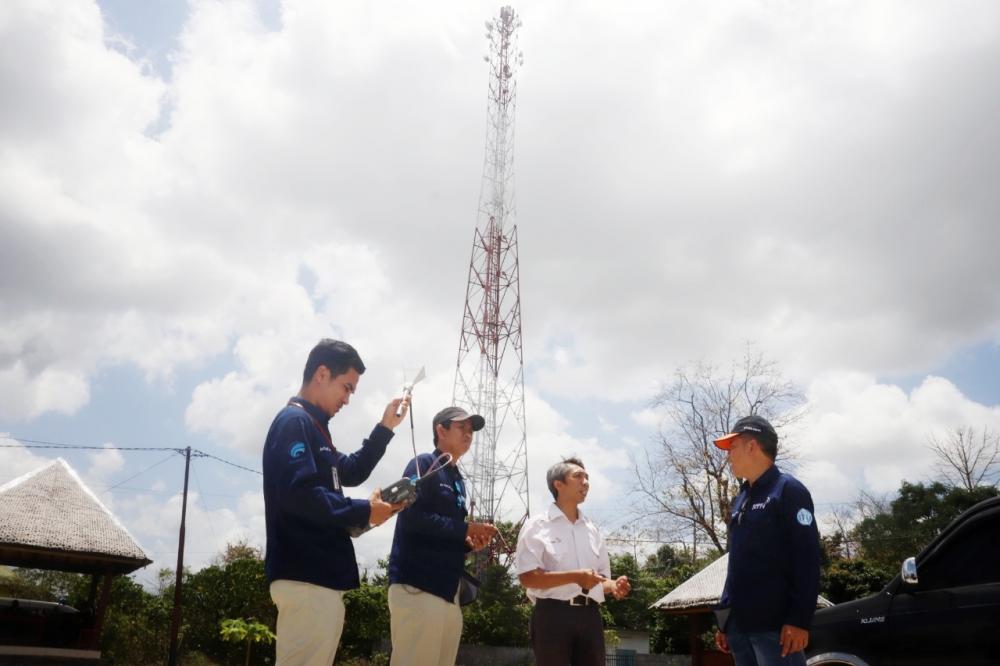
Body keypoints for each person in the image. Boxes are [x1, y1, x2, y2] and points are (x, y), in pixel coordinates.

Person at [262, 338, 409, 665]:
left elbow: (351, 471)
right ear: (322, 374)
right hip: (306, 576)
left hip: (317, 579)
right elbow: (300, 495)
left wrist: (385, 427)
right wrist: (366, 510)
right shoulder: (294, 422)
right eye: (347, 388)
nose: (348, 399)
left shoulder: (314, 428)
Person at [387, 406, 499, 666]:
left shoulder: (457, 478)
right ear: (441, 430)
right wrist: (465, 529)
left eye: (471, 430)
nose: (469, 434)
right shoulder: (425, 463)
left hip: (449, 591)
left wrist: (468, 542)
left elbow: (445, 530)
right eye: (462, 427)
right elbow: (412, 516)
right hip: (418, 585)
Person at [713, 415, 821, 666]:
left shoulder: (788, 490)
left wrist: (799, 619)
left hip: (776, 628)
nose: (728, 456)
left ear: (752, 446)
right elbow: (735, 565)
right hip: (739, 628)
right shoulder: (740, 498)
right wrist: (725, 622)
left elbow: (807, 559)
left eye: (733, 448)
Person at [514, 458, 631, 666]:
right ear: (558, 484)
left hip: (590, 616)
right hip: (552, 615)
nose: (585, 482)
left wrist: (613, 586)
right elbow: (528, 577)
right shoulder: (537, 526)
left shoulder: (592, 530)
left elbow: (599, 579)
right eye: (578, 476)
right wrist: (576, 577)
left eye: (587, 477)